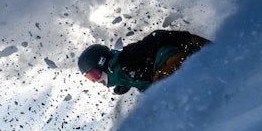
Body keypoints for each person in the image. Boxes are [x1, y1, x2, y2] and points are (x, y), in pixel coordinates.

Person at [77, 30, 210, 95]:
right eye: (90, 79)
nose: (96, 80)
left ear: (103, 62)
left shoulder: (126, 60)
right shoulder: (122, 70)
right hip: (173, 65)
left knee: (159, 93)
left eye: (95, 74)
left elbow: (156, 37)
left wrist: (188, 39)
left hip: (174, 62)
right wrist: (125, 83)